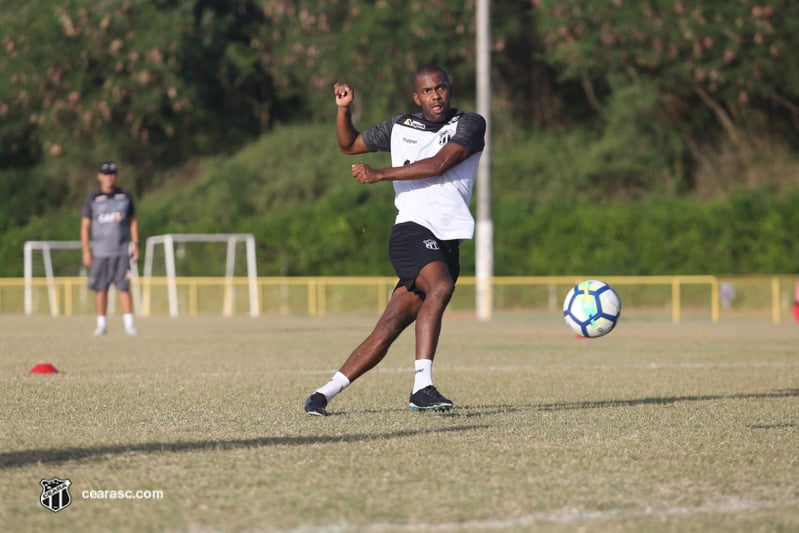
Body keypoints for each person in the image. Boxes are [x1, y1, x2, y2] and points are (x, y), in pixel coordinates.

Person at [304, 64, 486, 416]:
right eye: (429, 91)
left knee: (387, 328)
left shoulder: (469, 123)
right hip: (412, 231)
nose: (437, 95)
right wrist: (344, 111)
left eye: (442, 88)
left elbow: (439, 165)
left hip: (448, 240)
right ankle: (422, 387)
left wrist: (380, 174)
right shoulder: (399, 127)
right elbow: (349, 145)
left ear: (449, 90)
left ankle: (322, 394)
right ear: (416, 97)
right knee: (441, 287)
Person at [80, 160, 140, 336]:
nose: (109, 177)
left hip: (121, 251)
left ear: (116, 176)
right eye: (106, 174)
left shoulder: (125, 196)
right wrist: (86, 250)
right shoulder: (93, 198)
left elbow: (133, 222)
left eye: (112, 173)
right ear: (100, 176)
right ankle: (101, 324)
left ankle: (129, 324)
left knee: (124, 288)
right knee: (101, 289)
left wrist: (136, 244)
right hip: (100, 253)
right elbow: (85, 226)